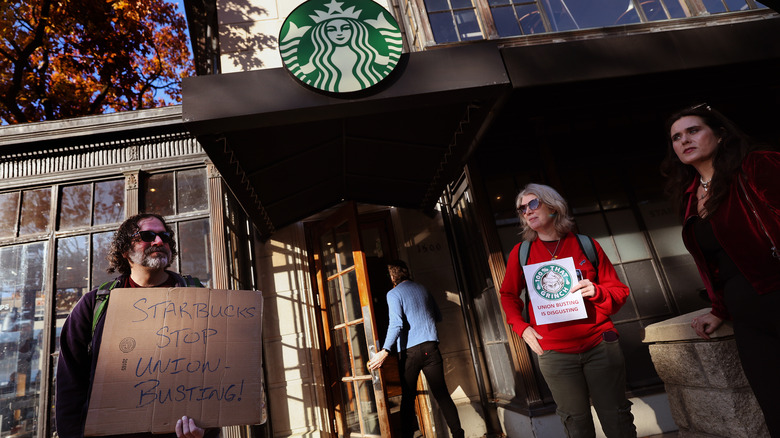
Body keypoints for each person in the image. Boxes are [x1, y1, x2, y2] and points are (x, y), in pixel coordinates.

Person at [661, 104, 780, 436]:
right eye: (676, 137)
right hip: (748, 318)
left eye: (693, 130)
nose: (684, 140)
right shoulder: (690, 197)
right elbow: (715, 262)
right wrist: (719, 309)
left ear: (720, 133)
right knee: (775, 409)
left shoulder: (756, 164)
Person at [55, 213, 216, 438]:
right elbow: (70, 382)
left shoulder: (198, 297)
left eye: (165, 237)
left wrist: (207, 429)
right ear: (124, 250)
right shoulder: (95, 304)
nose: (159, 242)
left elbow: (216, 368)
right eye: (147, 236)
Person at [500, 183, 636, 438]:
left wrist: (596, 291)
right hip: (554, 352)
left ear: (553, 206)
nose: (526, 211)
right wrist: (522, 327)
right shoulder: (521, 253)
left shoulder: (586, 245)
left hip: (600, 344)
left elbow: (618, 292)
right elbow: (508, 295)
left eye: (532, 204)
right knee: (576, 422)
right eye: (521, 209)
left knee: (617, 417)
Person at [366, 260, 464, 438]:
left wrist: (385, 351)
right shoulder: (422, 288)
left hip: (411, 352)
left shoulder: (393, 294)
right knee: (442, 395)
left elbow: (396, 324)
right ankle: (458, 435)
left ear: (392, 276)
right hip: (431, 347)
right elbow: (438, 316)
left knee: (408, 399)